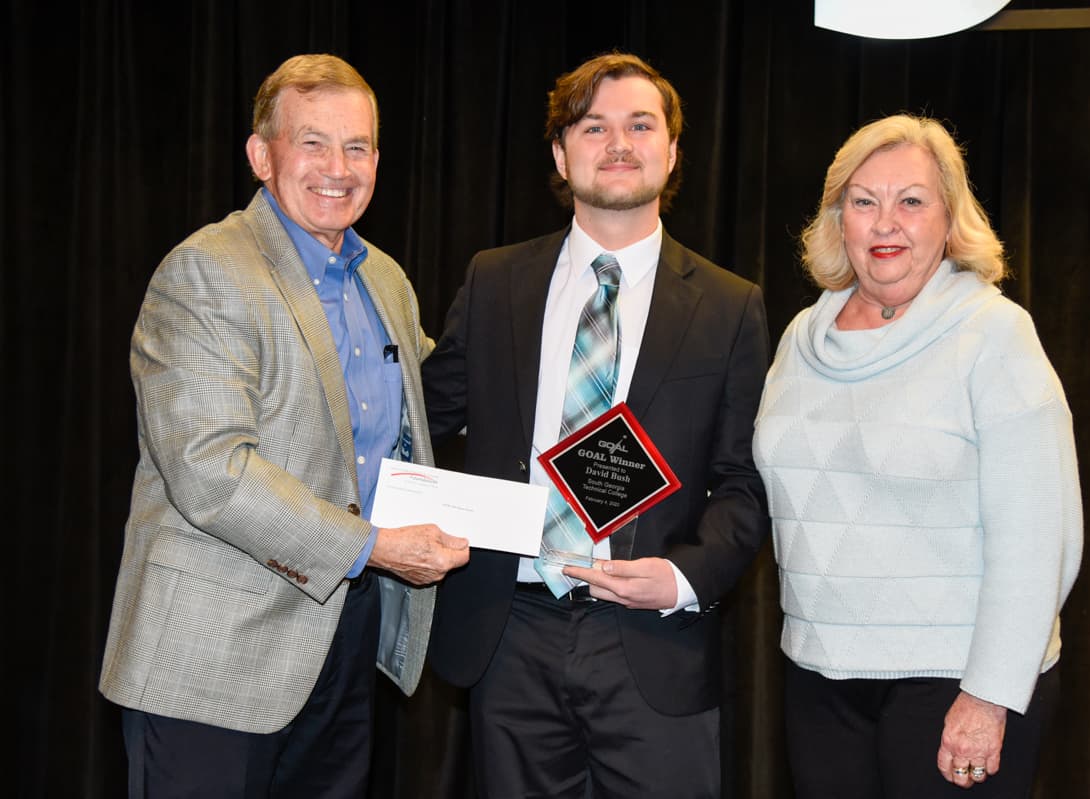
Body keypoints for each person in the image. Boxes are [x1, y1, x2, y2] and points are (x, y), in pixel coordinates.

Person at [99, 53, 469, 797]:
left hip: (342, 646)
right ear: (262, 155)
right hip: (211, 658)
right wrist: (376, 546)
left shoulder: (385, 279)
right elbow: (211, 471)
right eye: (313, 142)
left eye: (357, 146)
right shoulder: (206, 270)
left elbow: (434, 409)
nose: (338, 166)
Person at [422, 52, 770, 798]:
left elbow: (745, 481)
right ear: (560, 152)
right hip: (508, 630)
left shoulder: (730, 305)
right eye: (593, 126)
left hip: (650, 638)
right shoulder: (494, 280)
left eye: (640, 124)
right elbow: (421, 416)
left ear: (672, 149)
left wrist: (683, 576)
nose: (618, 142)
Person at [753, 114, 1084, 797]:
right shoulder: (800, 337)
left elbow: (1039, 538)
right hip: (818, 679)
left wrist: (989, 695)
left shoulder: (994, 334)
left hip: (955, 685)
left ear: (948, 218)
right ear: (837, 217)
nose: (885, 224)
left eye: (911, 201)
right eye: (864, 201)